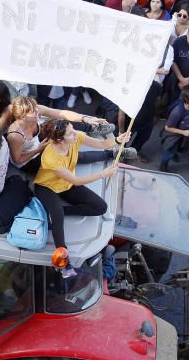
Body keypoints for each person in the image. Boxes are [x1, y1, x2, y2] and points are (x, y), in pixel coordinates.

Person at [32, 119, 127, 277]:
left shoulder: (76, 138)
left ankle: (60, 211)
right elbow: (76, 181)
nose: (75, 133)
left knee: (100, 207)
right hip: (46, 187)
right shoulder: (50, 156)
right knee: (58, 220)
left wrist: (118, 140)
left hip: (65, 185)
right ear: (60, 139)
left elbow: (102, 145)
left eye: (72, 129)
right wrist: (104, 174)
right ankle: (64, 263)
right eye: (70, 133)